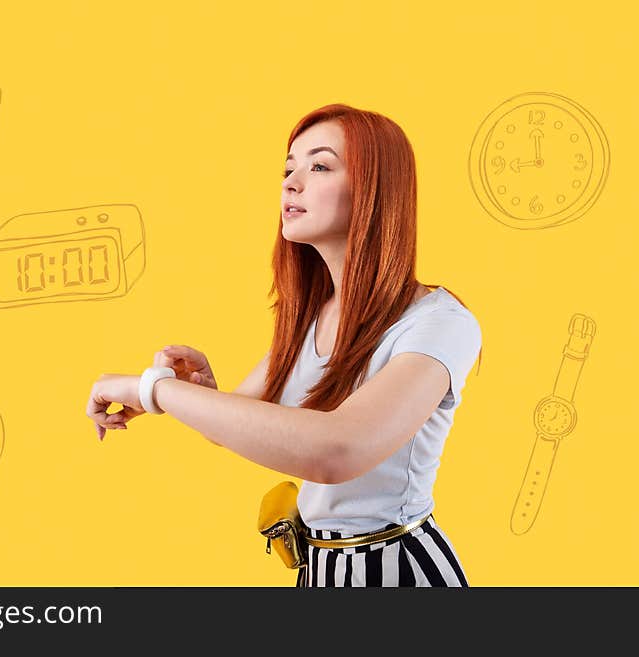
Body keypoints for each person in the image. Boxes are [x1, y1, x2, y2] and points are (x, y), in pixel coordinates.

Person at [85, 103, 483, 587]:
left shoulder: (440, 323)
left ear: (375, 189)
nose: (291, 183)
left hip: (399, 570)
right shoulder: (312, 315)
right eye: (289, 168)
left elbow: (337, 451)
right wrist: (203, 393)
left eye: (319, 166)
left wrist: (152, 390)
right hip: (319, 571)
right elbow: (235, 425)